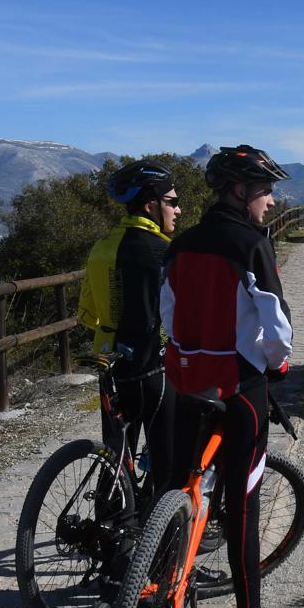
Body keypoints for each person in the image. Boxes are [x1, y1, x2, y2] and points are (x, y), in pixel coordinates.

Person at [160, 143, 302, 608]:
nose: (269, 201)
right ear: (240, 191)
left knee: (176, 486)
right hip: (239, 390)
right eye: (265, 191)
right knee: (242, 508)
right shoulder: (251, 245)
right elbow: (277, 327)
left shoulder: (181, 244)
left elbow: (169, 313)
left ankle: (159, 594)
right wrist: (275, 364)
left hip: (185, 383)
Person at [77, 159, 179, 493]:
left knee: (115, 453)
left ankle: (110, 526)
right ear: (151, 205)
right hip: (153, 364)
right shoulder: (166, 251)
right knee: (166, 456)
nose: (177, 210)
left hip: (111, 361)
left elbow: (86, 313)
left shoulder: (101, 248)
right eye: (172, 202)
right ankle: (161, 537)